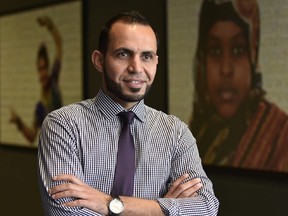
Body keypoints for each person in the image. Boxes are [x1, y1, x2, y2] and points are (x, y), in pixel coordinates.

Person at [38, 10, 219, 216]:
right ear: (99, 60)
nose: (136, 67)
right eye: (123, 54)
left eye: (147, 56)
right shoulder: (63, 125)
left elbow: (206, 207)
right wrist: (162, 208)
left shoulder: (176, 133)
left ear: (156, 62)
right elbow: (66, 213)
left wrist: (110, 204)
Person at [189, 0, 288, 172]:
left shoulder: (279, 134)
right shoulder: (200, 129)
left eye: (238, 50)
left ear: (253, 57)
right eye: (215, 51)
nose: (226, 69)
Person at [10, 15, 62, 145]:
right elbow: (32, 137)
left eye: (44, 68)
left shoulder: (53, 82)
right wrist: (19, 123)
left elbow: (59, 45)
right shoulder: (39, 107)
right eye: (39, 69)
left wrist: (50, 25)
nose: (42, 73)